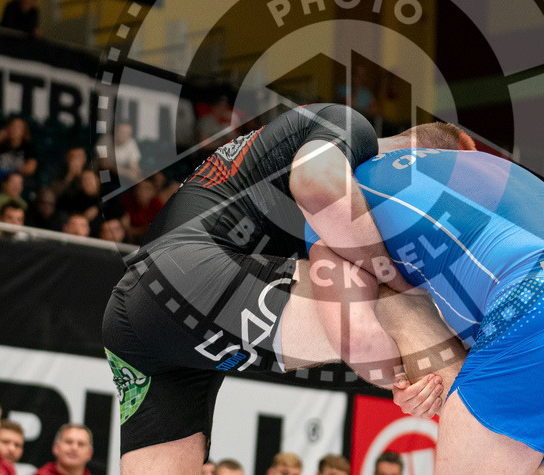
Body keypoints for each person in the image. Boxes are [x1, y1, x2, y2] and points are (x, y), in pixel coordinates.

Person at [102, 104, 462, 474]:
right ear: (424, 160)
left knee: (367, 302)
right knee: (401, 307)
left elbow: (346, 317)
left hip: (137, 319)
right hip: (188, 274)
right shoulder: (350, 128)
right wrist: (400, 286)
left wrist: (403, 376)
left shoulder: (332, 176)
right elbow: (316, 186)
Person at [328, 148, 544, 474]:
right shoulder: (471, 161)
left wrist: (400, 381)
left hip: (542, 300)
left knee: (394, 306)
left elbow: (356, 340)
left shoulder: (332, 201)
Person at [0, 116, 37, 182]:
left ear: (24, 131)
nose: (14, 130)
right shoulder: (1, 145)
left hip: (17, 179)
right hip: (0, 180)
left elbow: (30, 168)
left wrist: (12, 172)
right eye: (12, 126)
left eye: (18, 128)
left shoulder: (28, 146)